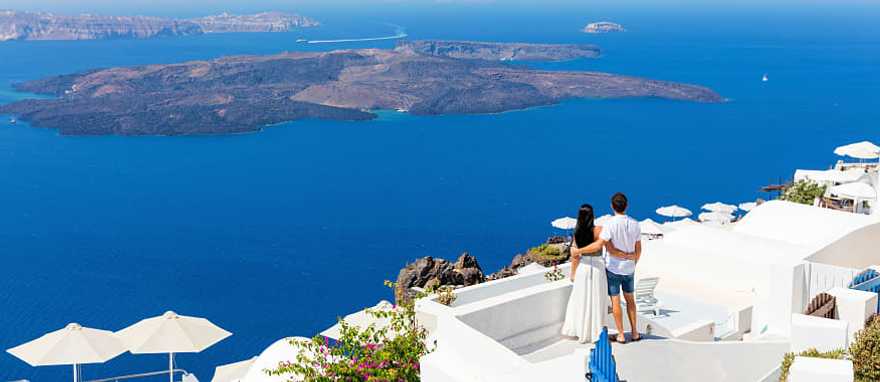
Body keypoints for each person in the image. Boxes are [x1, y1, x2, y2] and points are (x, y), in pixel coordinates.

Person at [561, 204, 630, 343]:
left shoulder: (576, 233)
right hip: (598, 268)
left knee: (582, 299)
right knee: (597, 300)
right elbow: (610, 249)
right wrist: (626, 255)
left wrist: (573, 274)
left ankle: (582, 331)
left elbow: (574, 256)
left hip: (583, 268)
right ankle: (596, 331)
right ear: (592, 216)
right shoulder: (599, 230)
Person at [593, 192, 642, 343]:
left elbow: (609, 248)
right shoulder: (635, 224)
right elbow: (638, 249)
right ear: (626, 206)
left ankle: (621, 334)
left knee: (616, 301)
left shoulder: (609, 224)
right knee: (630, 301)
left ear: (612, 206)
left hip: (613, 268)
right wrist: (631, 260)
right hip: (629, 269)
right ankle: (634, 333)